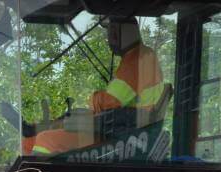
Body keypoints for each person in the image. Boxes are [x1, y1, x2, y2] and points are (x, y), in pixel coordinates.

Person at [31, 17, 165, 156]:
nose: (109, 39)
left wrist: (93, 100)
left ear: (116, 33)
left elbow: (110, 102)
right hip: (126, 130)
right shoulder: (144, 55)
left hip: (121, 135)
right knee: (34, 139)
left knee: (45, 140)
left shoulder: (136, 60)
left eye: (110, 32)